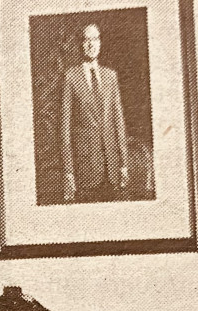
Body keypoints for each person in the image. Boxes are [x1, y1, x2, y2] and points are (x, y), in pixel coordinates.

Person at [61, 23, 129, 204]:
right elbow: (65, 130)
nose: (92, 44)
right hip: (86, 169)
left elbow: (119, 122)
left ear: (101, 42)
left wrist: (124, 164)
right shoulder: (71, 76)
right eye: (87, 39)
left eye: (96, 39)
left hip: (112, 167)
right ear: (81, 44)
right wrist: (68, 171)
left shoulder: (110, 76)